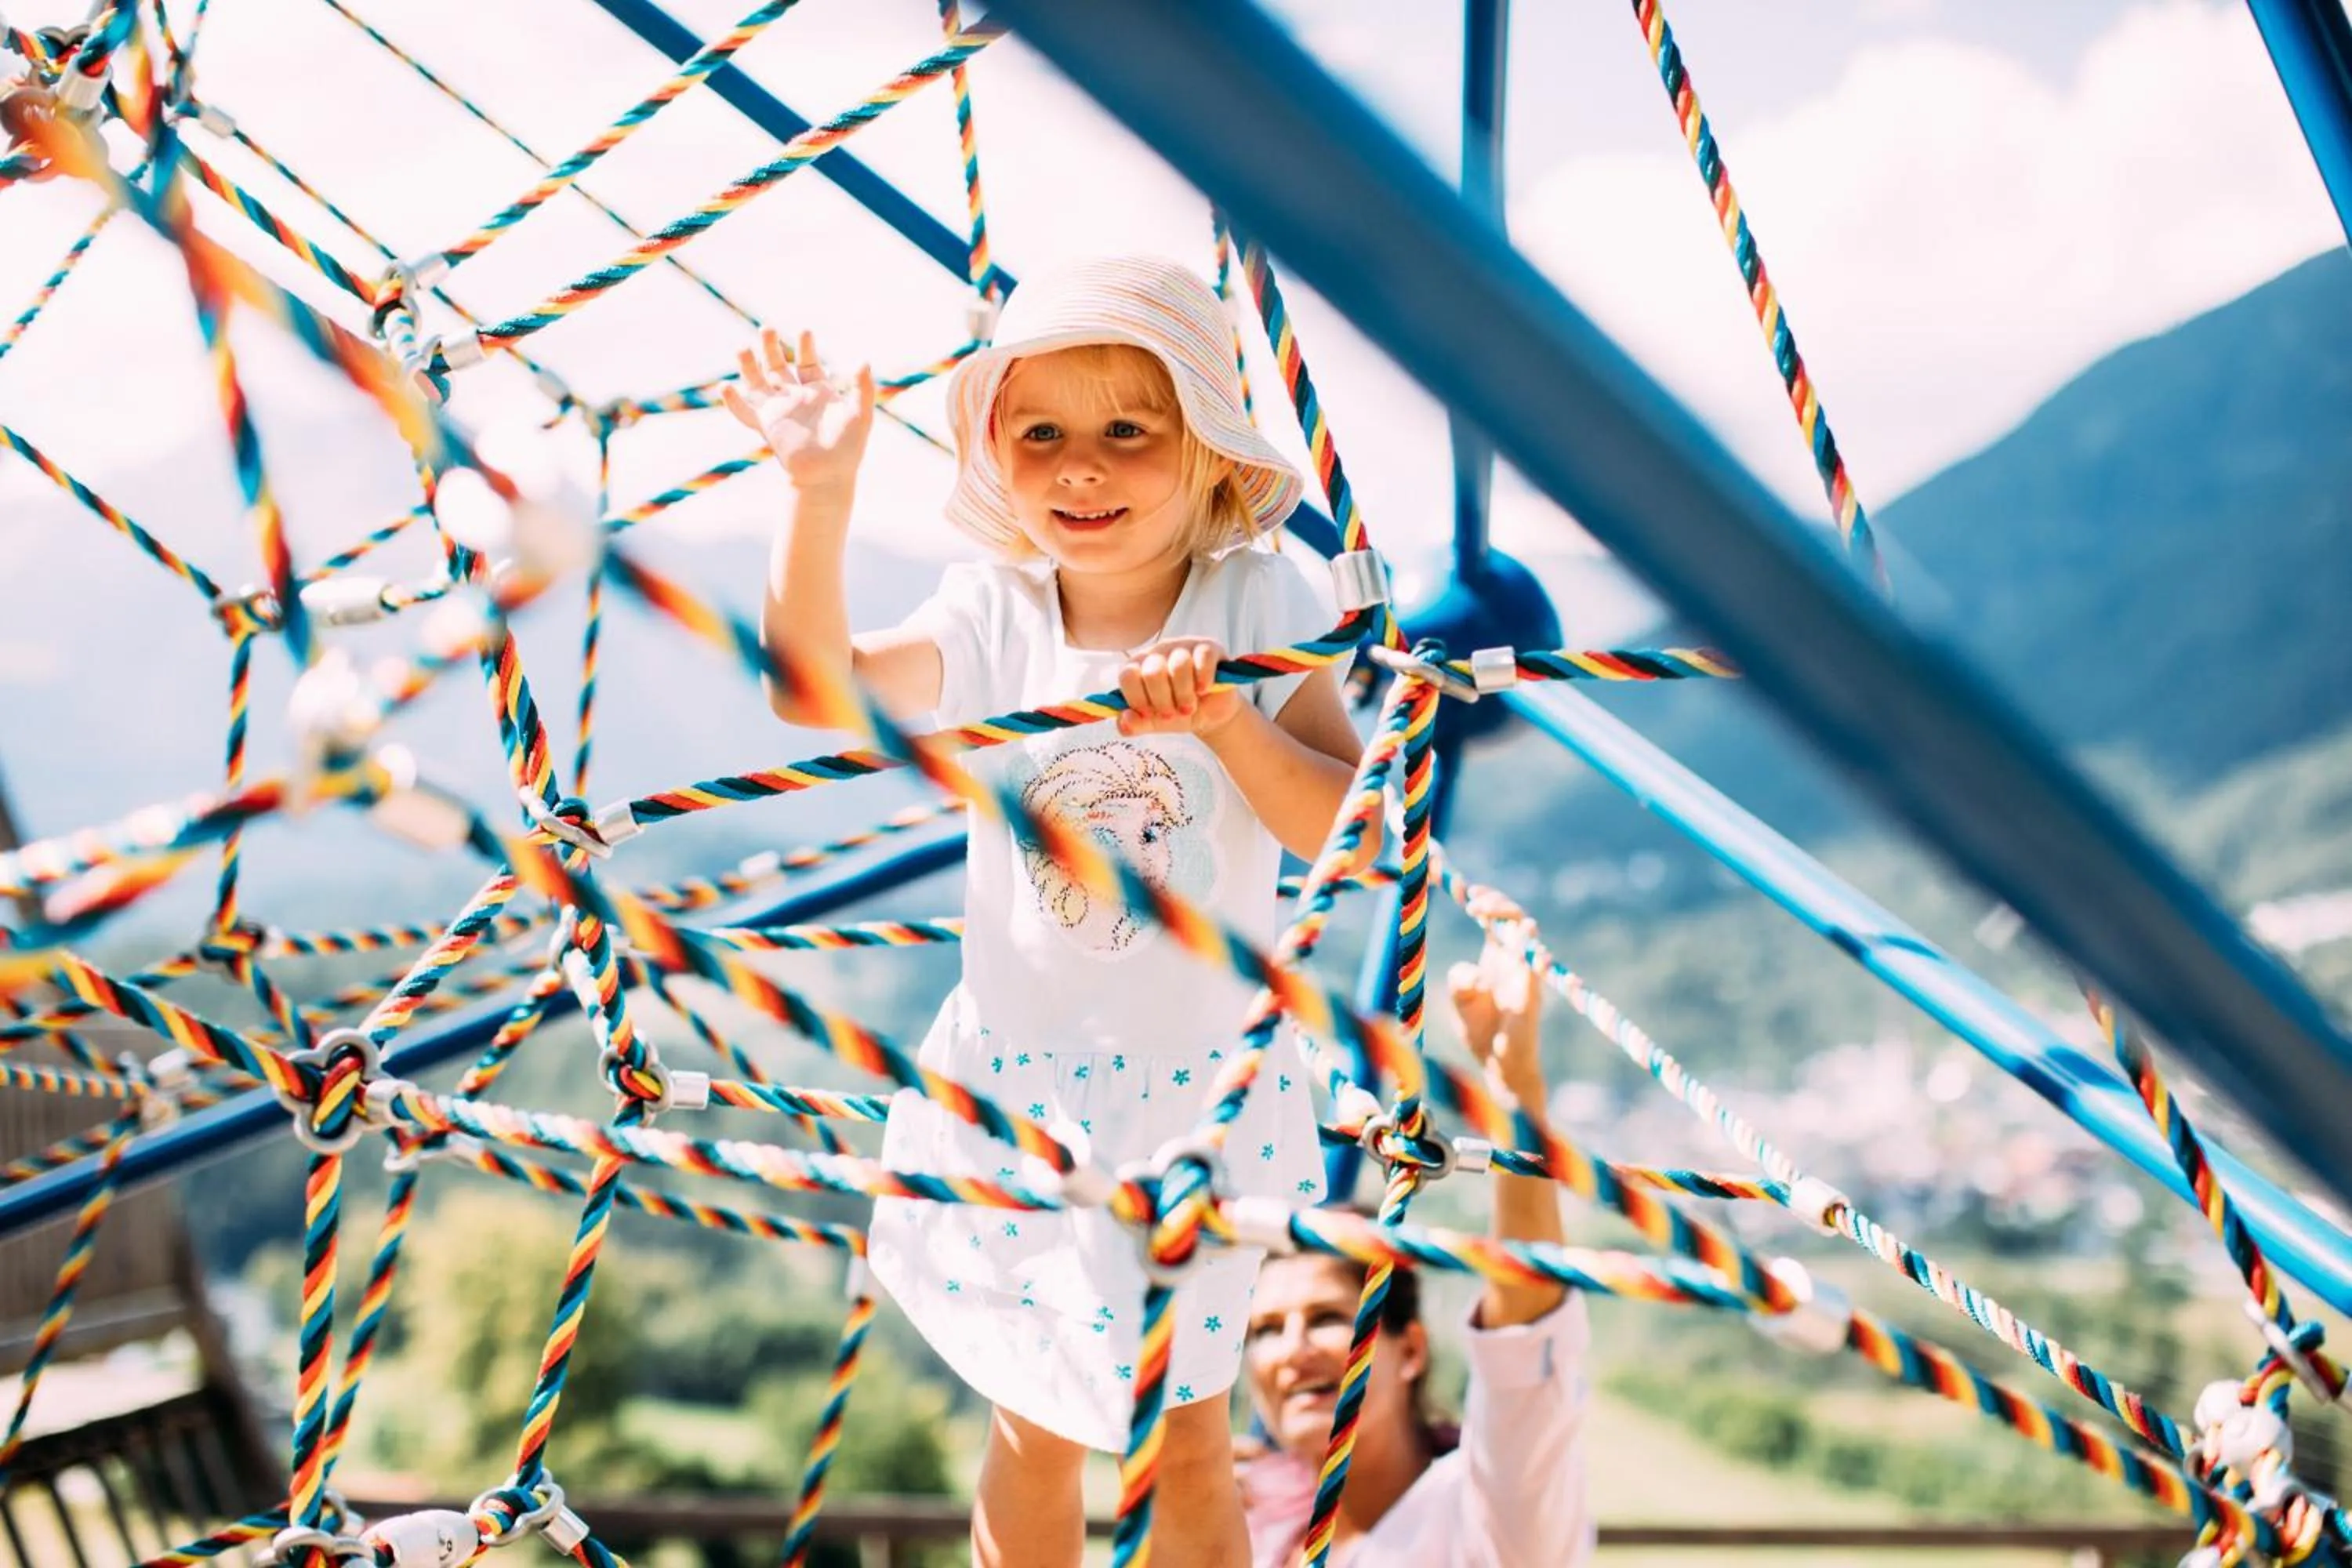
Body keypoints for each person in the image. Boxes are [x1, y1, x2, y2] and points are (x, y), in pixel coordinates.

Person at [726, 255, 1369, 1568]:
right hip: (1020, 1089)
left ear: (1208, 449)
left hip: (1204, 1096)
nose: (1081, 468)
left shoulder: (1261, 602)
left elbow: (1348, 830)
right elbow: (813, 693)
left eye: (1128, 431)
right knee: (1034, 1426)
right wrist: (819, 492)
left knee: (1184, 1433)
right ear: (997, 457)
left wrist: (1228, 723)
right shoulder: (994, 610)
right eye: (1040, 436)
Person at [1238, 895, 1593, 1567]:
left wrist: (1515, 1090)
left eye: (1326, 1318)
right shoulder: (1251, 1527)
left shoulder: (1487, 1515)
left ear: (1411, 1351)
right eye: (1266, 1330)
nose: (1292, 1351)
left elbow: (1526, 1344)